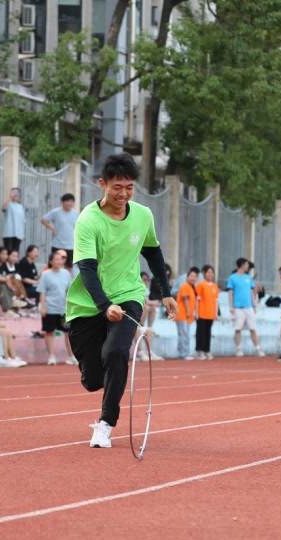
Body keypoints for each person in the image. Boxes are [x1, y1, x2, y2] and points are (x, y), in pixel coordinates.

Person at [66, 153, 177, 449]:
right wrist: (104, 306)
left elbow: (153, 253)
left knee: (116, 353)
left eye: (129, 187)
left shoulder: (143, 215)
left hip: (129, 295)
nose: (123, 193)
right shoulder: (88, 221)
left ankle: (105, 424)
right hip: (88, 303)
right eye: (117, 187)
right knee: (92, 380)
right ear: (103, 184)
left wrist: (165, 292)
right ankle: (107, 379)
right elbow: (86, 270)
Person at [38, 251, 78, 366]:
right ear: (51, 261)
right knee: (49, 332)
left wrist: (71, 306)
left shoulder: (66, 273)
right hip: (50, 308)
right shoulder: (45, 274)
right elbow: (42, 292)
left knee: (68, 333)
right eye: (56, 259)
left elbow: (69, 291)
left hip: (63, 309)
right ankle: (51, 356)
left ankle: (71, 356)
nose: (59, 261)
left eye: (60, 259)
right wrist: (43, 308)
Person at [227, 258, 265, 358]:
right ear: (242, 265)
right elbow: (230, 293)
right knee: (238, 328)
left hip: (248, 307)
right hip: (238, 307)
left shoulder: (248, 278)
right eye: (247, 264)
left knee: (253, 328)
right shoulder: (232, 278)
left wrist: (254, 305)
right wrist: (231, 306)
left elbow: (252, 292)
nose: (248, 266)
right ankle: (238, 348)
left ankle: (257, 348)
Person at [42, 193, 79, 268]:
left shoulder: (76, 213)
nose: (69, 203)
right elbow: (43, 219)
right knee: (54, 265)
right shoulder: (56, 212)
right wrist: (52, 228)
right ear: (62, 202)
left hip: (70, 244)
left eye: (72, 202)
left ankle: (68, 280)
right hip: (57, 243)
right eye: (67, 201)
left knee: (69, 266)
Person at [195, 265, 219, 360]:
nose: (210, 274)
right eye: (208, 272)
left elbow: (216, 301)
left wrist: (216, 313)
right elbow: (197, 300)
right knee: (200, 333)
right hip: (201, 313)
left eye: (211, 272)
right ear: (204, 273)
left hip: (210, 313)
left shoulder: (214, 286)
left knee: (208, 333)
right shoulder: (200, 285)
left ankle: (207, 351)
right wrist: (196, 312)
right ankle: (199, 351)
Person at [176, 267, 199, 361]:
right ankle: (183, 354)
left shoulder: (191, 288)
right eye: (191, 276)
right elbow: (185, 299)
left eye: (195, 276)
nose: (193, 278)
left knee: (185, 334)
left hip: (186, 315)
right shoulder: (185, 286)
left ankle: (185, 353)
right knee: (183, 334)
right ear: (187, 277)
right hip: (182, 314)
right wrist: (189, 311)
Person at [1, 188, 26, 253]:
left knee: (15, 252)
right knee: (8, 251)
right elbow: (4, 208)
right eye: (14, 193)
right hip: (9, 233)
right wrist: (10, 198)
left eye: (17, 193)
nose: (15, 194)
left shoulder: (20, 206)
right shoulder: (8, 204)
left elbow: (23, 220)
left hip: (18, 233)